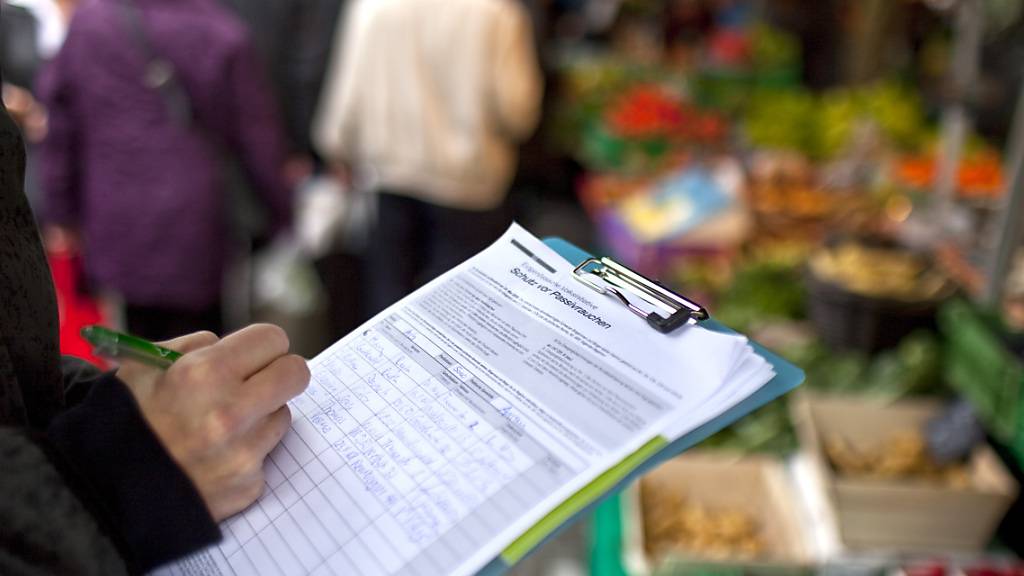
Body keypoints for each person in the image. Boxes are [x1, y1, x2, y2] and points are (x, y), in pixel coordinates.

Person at [1, 81, 311, 573]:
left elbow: (61, 131)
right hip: (201, 230)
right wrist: (118, 477)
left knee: (169, 342)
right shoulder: (219, 39)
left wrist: (91, 397)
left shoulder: (86, 38)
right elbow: (257, 132)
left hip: (120, 234)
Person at [38, 0, 293, 341]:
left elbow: (61, 127)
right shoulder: (218, 30)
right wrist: (281, 215)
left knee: (134, 340)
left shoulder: (90, 24)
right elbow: (258, 136)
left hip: (115, 207)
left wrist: (60, 210)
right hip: (196, 212)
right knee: (203, 341)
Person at [314, 0, 544, 317]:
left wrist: (336, 147)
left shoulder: (373, 6)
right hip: (469, 183)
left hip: (388, 173)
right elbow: (516, 111)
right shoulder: (496, 14)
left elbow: (347, 92)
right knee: (457, 308)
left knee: (388, 301)